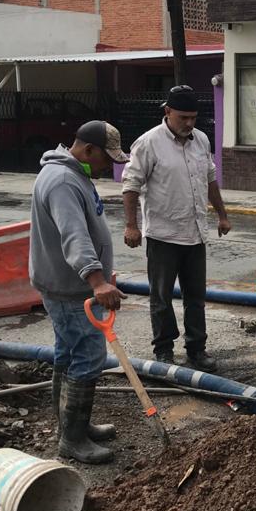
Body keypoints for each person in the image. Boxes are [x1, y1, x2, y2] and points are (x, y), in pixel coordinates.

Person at [29, 120, 127, 465]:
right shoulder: (63, 181)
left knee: (68, 354)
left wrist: (101, 273)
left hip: (67, 284)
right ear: (88, 150)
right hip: (71, 289)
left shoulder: (71, 175)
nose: (108, 167)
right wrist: (97, 281)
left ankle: (73, 427)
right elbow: (74, 236)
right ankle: (72, 438)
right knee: (87, 356)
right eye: (106, 159)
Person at [122, 84, 230, 371]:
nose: (189, 123)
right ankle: (164, 350)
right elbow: (131, 185)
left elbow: (210, 179)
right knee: (162, 297)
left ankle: (197, 349)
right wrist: (131, 225)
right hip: (163, 235)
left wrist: (222, 215)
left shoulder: (201, 140)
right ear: (168, 112)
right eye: (183, 117)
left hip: (195, 233)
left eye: (193, 118)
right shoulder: (148, 143)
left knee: (196, 298)